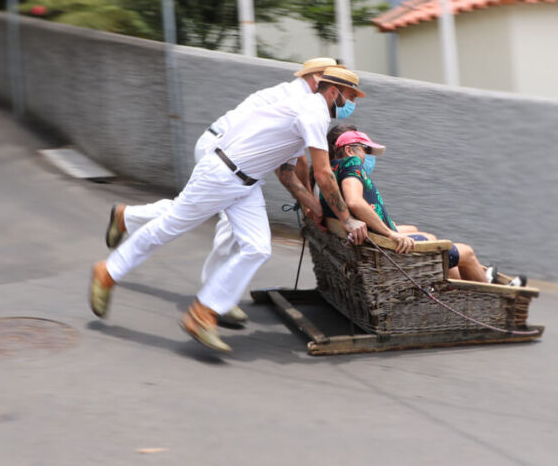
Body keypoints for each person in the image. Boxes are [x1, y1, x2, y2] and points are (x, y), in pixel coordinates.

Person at [89, 66, 370, 353]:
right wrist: (346, 219)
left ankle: (203, 314)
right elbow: (323, 173)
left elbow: (286, 172)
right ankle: (108, 272)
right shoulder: (313, 111)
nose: (351, 104)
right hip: (221, 174)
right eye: (350, 96)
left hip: (246, 185)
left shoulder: (306, 111)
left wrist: (313, 207)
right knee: (169, 227)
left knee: (257, 247)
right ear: (333, 92)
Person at [322, 129, 506, 283]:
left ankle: (458, 286)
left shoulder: (332, 171)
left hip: (378, 245)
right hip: (388, 250)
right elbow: (354, 201)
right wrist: (390, 233)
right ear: (349, 150)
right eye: (365, 150)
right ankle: (481, 293)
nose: (367, 157)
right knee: (467, 252)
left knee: (428, 237)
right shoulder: (351, 164)